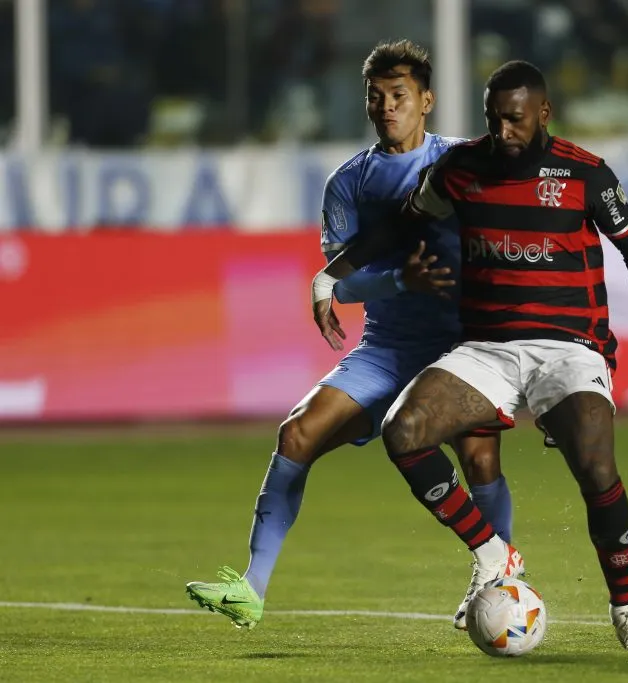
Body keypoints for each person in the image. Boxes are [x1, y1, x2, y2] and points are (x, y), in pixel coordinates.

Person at [311, 60, 628, 652]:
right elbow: (400, 226)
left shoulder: (585, 174)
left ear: (543, 113)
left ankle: (627, 609)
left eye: (515, 120)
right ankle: (494, 552)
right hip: (488, 348)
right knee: (404, 430)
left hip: (568, 349)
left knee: (597, 468)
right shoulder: (462, 168)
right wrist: (330, 274)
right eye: (494, 119)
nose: (503, 132)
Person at [184, 40, 520, 630]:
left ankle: (499, 574)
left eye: (400, 96)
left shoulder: (465, 163)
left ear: (427, 101)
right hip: (386, 351)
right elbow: (344, 280)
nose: (387, 107)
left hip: (459, 347)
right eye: (377, 97)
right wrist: (399, 279)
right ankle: (252, 587)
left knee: (479, 457)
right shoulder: (350, 183)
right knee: (296, 434)